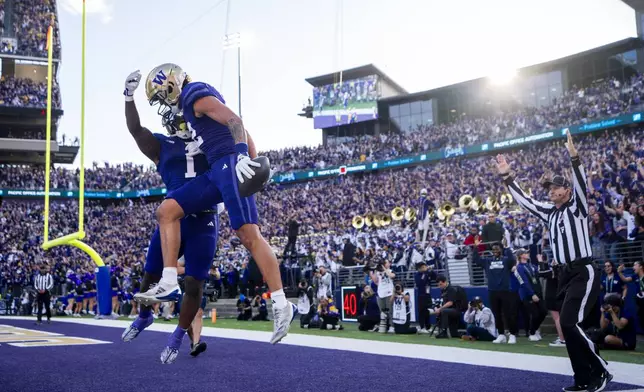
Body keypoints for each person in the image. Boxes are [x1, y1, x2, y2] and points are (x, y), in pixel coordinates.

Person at [137, 63, 297, 345]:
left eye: (162, 96)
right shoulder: (188, 107)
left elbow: (235, 121)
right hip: (216, 170)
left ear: (172, 85)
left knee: (249, 236)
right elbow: (242, 131)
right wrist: (253, 157)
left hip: (229, 164)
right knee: (167, 211)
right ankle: (170, 279)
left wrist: (244, 157)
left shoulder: (193, 95)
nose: (163, 104)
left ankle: (282, 304)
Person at [494, 130, 611, 392]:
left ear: (566, 191)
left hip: (583, 270)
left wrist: (574, 157)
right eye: (549, 188)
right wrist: (506, 176)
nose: (550, 192)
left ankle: (600, 370)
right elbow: (525, 202)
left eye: (555, 188)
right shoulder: (550, 212)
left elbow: (580, 184)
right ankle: (582, 378)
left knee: (570, 323)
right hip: (564, 275)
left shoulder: (577, 206)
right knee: (567, 329)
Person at [120, 70, 220, 364]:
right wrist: (128, 97)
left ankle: (178, 337)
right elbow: (136, 129)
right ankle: (145, 316)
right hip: (173, 219)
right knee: (149, 275)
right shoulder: (162, 145)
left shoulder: (209, 139)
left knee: (194, 284)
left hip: (204, 219)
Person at [514, 248, 547, 341]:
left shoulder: (531, 265)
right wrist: (532, 294)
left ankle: (534, 329)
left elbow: (540, 272)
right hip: (527, 294)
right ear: (520, 256)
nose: (528, 253)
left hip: (537, 292)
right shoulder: (519, 267)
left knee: (544, 311)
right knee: (535, 314)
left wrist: (541, 262)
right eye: (525, 252)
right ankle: (532, 333)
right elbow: (523, 282)